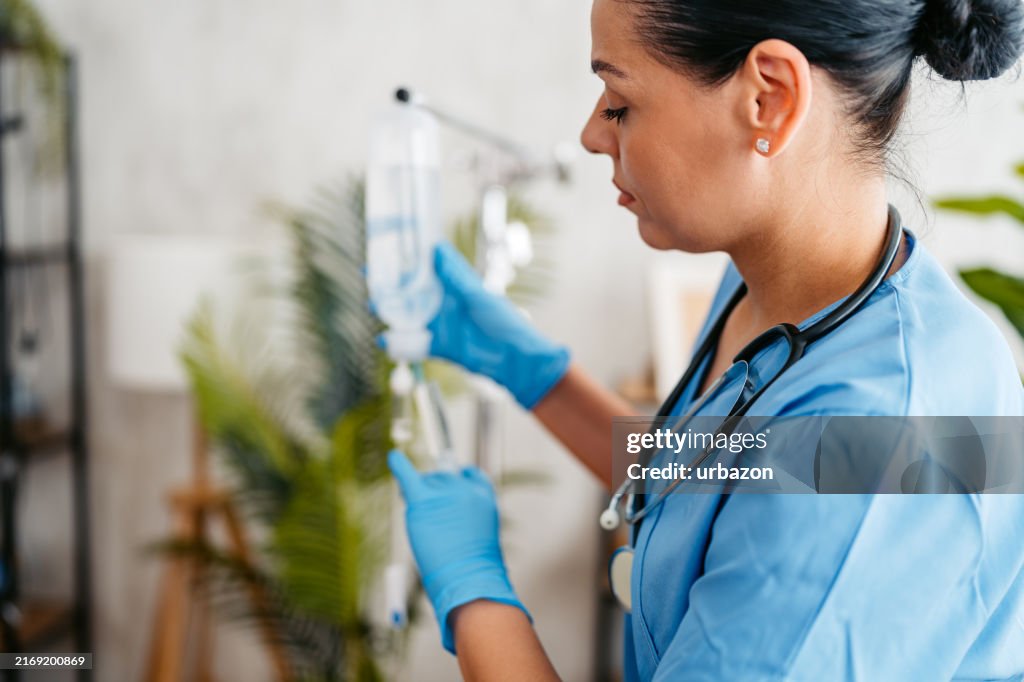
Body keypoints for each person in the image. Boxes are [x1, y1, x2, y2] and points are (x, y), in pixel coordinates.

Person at [384, 0, 1024, 679]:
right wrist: (534, 374)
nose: (591, 135)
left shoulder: (891, 425)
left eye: (620, 101)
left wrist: (476, 596)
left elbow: (808, 481)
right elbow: (720, 475)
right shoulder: (777, 287)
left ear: (768, 97)